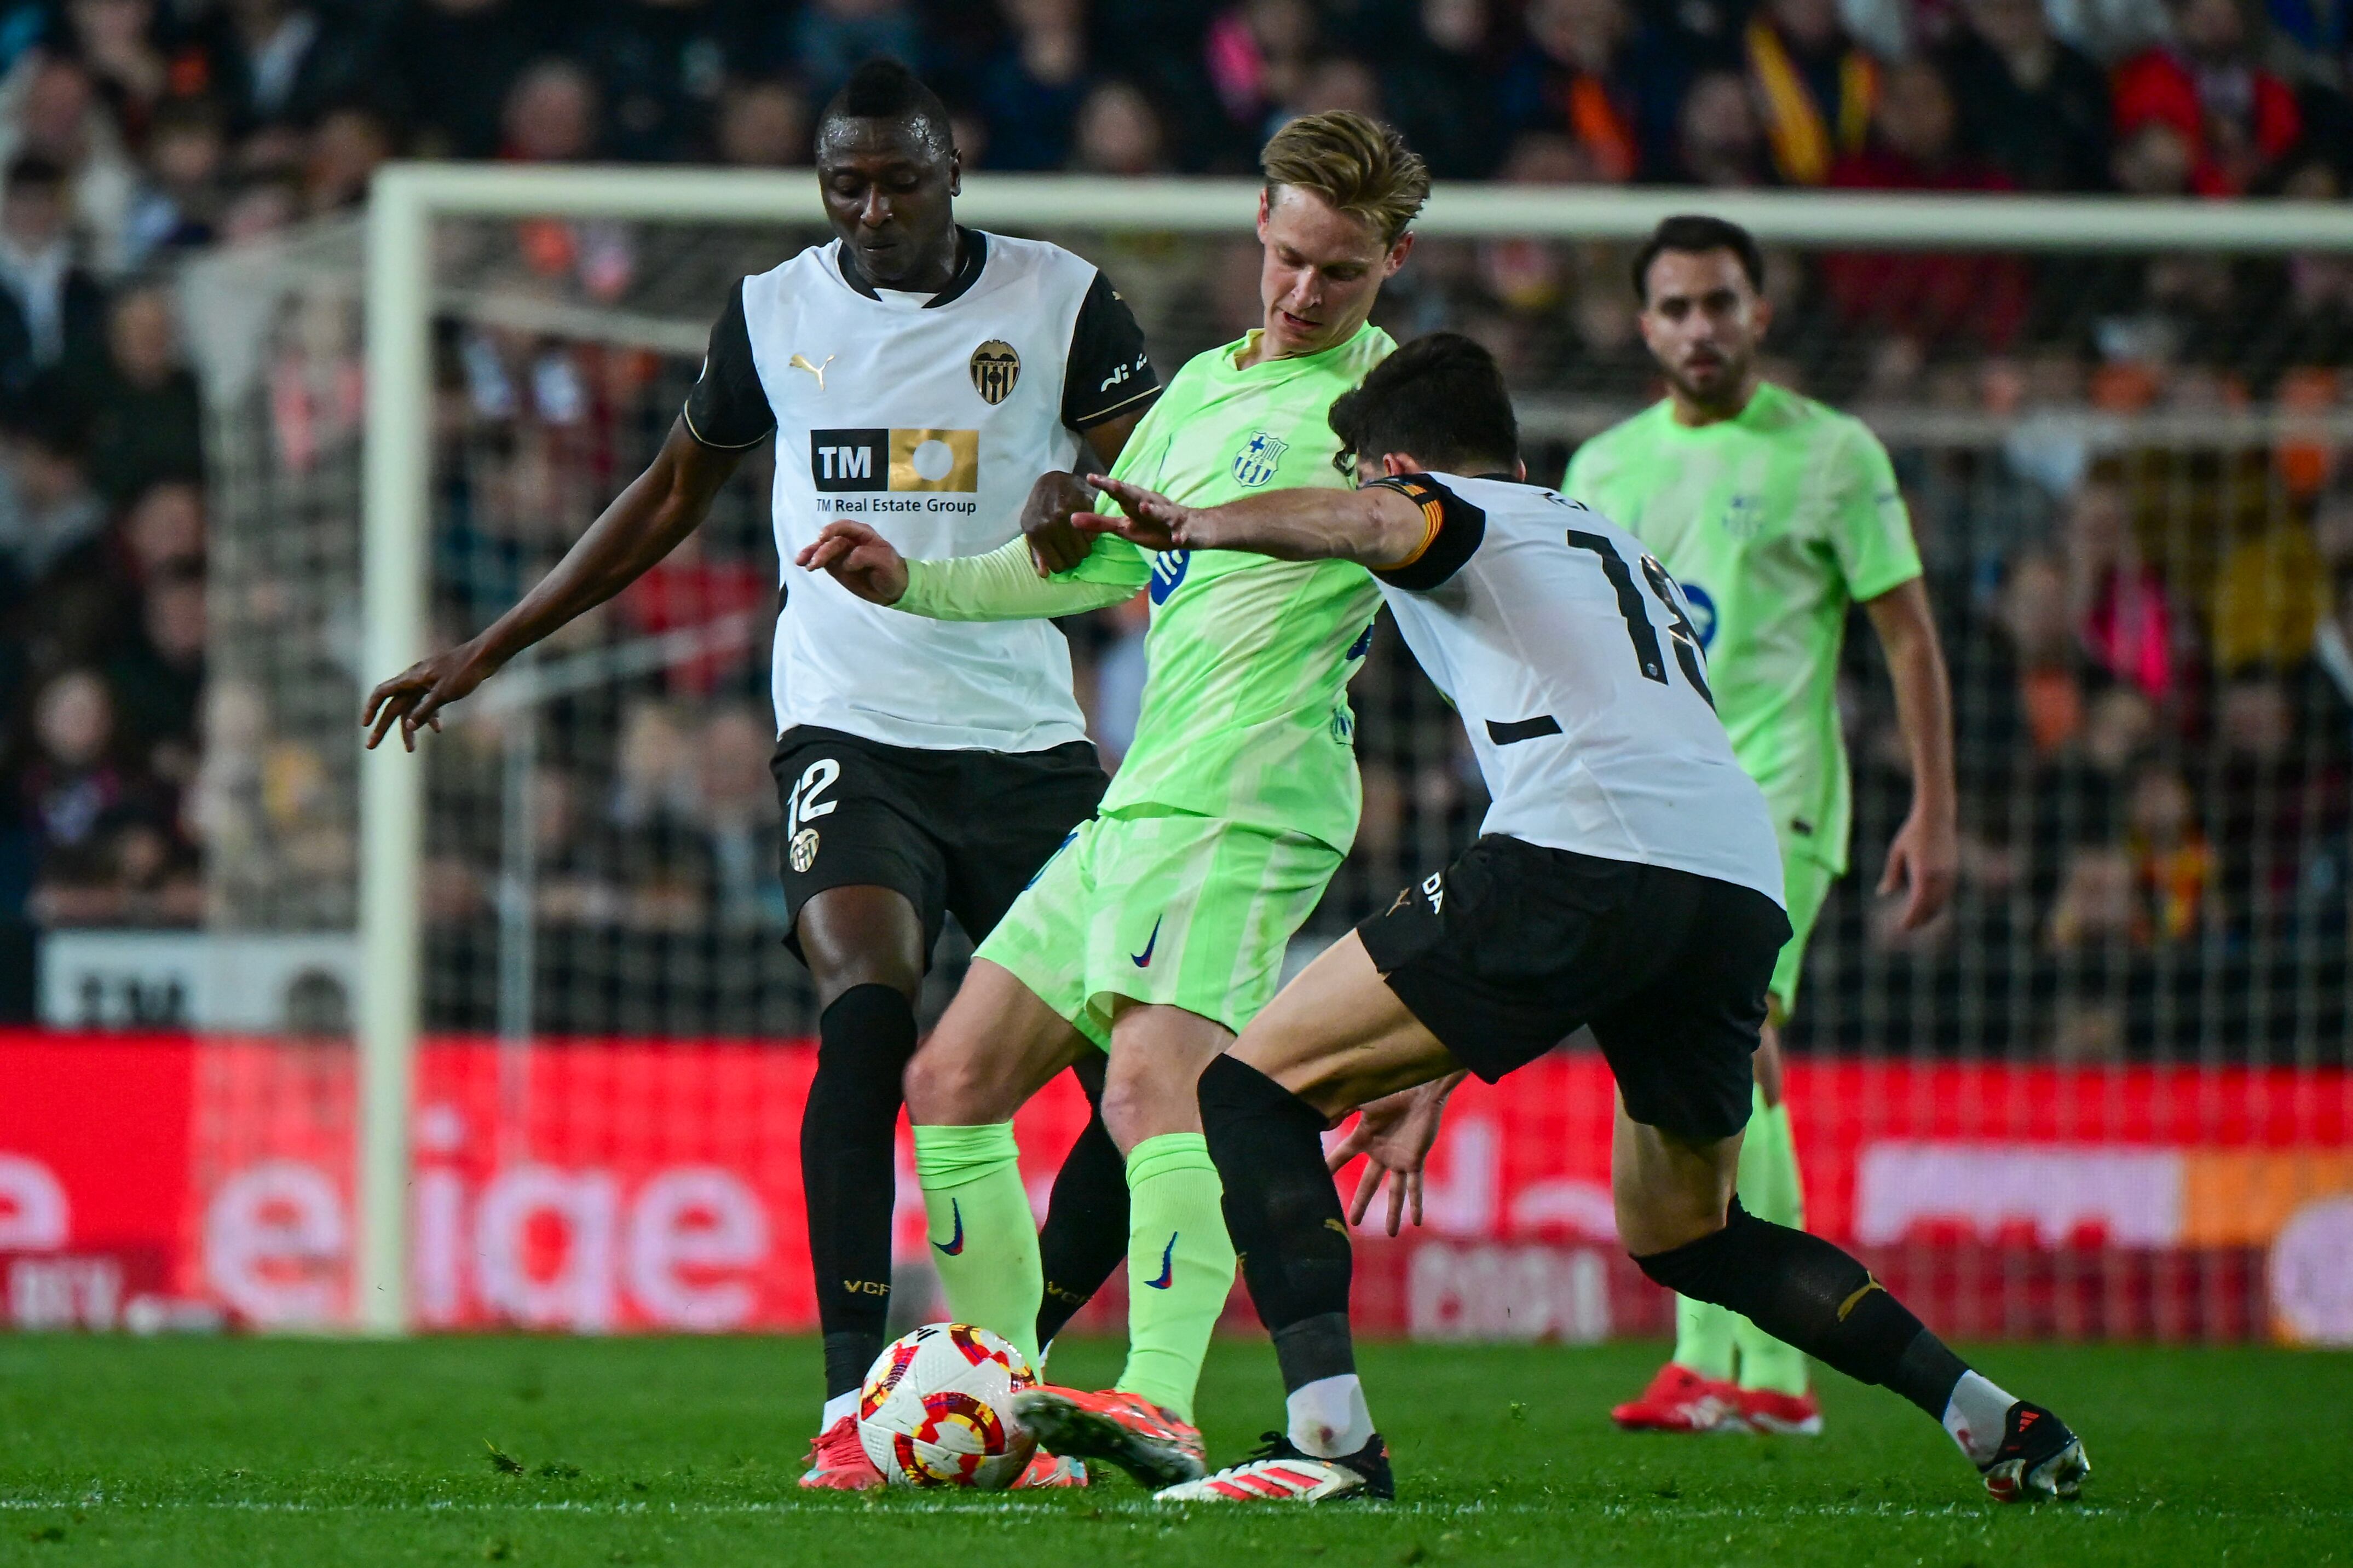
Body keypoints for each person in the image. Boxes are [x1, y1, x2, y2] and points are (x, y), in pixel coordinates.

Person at [1079, 332, 2086, 1507]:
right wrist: (1438, 1060)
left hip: (1579, 851)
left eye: (1365, 469)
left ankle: (1328, 1443)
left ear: (1398, 460)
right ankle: (1992, 1418)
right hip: (1726, 882)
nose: (1364, 491)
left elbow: (1371, 525)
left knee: (1249, 1091)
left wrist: (1195, 522)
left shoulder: (1440, 504)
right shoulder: (1604, 532)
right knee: (1691, 1231)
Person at [361, 59, 1159, 1492]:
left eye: (898, 181)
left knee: (1138, 1080)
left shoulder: (1061, 301)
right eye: (843, 183)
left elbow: (1166, 494)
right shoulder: (774, 312)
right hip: (849, 731)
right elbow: (673, 491)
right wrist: (488, 646)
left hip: (1029, 746)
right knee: (867, 1012)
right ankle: (855, 1403)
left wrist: (1084, 493)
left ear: (952, 170)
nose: (870, 210)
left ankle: (998, 1361)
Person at [797, 109, 1428, 1489]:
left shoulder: (1387, 411)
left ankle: (1158, 1400)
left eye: (1342, 271)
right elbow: (1103, 568)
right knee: (951, 1079)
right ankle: (1004, 1410)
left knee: (1152, 1085)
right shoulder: (1201, 384)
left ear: (1393, 260)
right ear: (1260, 223)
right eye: (1292, 257)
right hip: (1147, 791)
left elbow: (1441, 545)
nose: (1305, 292)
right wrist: (919, 582)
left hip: (1253, 791)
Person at [1565, 215, 1957, 1438]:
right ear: (1643, 325)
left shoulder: (1831, 453)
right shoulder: (1604, 466)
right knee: (1693, 1052)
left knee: (1741, 1043)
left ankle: (1755, 1371)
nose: (1699, 328)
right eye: (1676, 307)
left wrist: (1934, 806)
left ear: (1760, 312)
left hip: (1779, 791)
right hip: (1651, 801)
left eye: (1720, 303)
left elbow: (1905, 633)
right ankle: (1738, 1368)